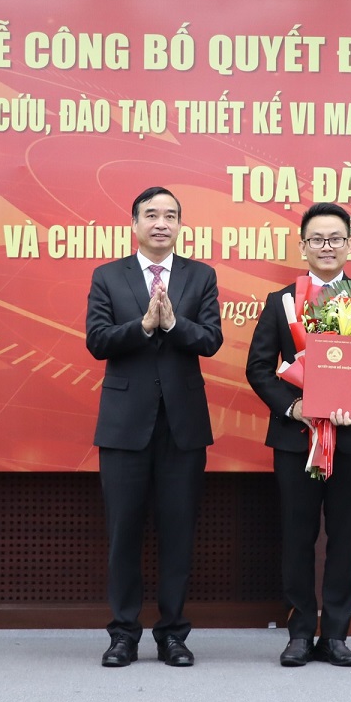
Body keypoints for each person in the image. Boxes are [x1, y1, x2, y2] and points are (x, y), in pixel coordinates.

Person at [245, 202, 351, 667]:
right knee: (297, 537)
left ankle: (335, 635)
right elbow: (259, 368)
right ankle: (299, 633)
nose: (326, 246)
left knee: (346, 539)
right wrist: (294, 408)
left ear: (350, 244)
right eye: (317, 239)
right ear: (303, 246)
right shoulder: (282, 302)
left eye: (335, 239)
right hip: (297, 441)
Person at [86, 186, 223, 668]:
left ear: (180, 225)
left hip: (182, 427)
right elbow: (97, 341)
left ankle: (173, 635)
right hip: (124, 427)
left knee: (178, 534)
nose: (161, 223)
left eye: (170, 215)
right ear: (135, 223)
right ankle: (123, 634)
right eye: (151, 214)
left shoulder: (201, 275)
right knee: (124, 534)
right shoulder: (108, 275)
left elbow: (211, 340)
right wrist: (143, 326)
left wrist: (172, 324)